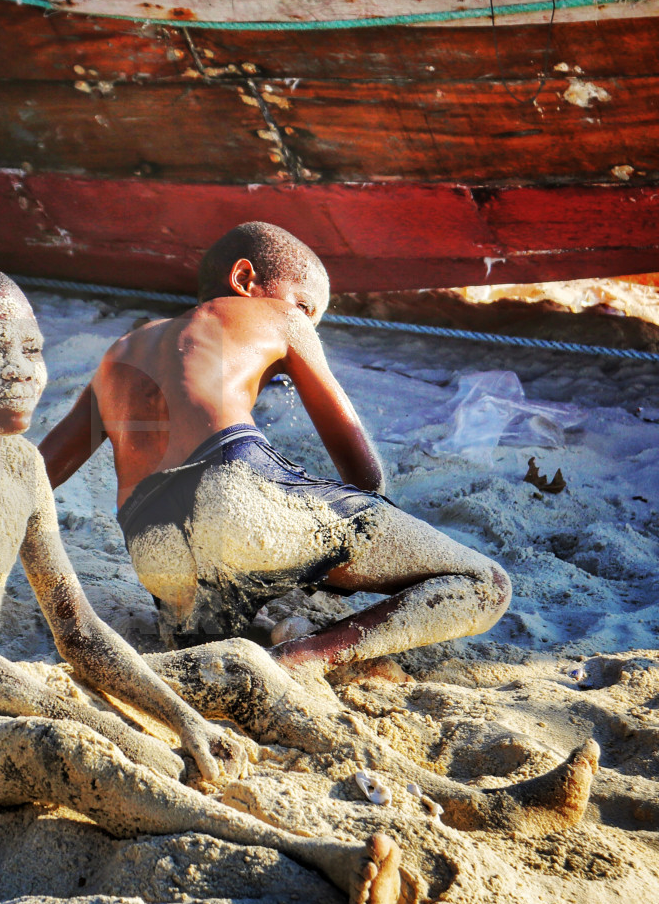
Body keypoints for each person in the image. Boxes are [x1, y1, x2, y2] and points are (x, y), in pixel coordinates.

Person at [0, 262, 421, 904]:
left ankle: (449, 794)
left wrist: (182, 719)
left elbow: (78, 632)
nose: (18, 369)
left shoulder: (21, 465)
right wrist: (107, 724)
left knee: (238, 662)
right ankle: (309, 852)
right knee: (66, 750)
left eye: (30, 349)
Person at [39, 223, 599, 834]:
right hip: (237, 489)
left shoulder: (120, 351)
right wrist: (350, 569)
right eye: (307, 307)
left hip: (152, 545)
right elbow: (362, 471)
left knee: (240, 663)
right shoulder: (279, 318)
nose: (308, 320)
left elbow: (40, 473)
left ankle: (283, 655)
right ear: (246, 280)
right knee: (483, 581)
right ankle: (307, 658)